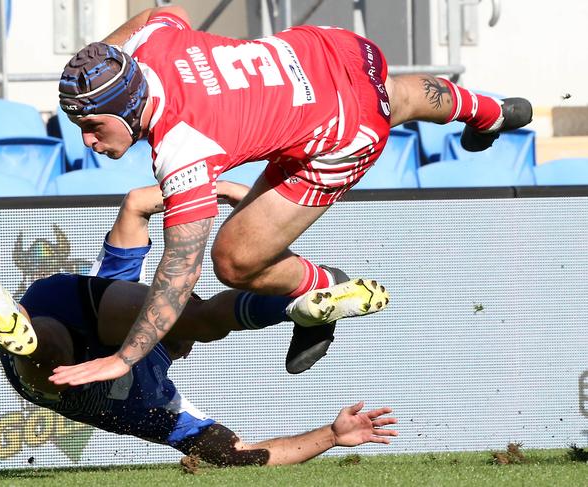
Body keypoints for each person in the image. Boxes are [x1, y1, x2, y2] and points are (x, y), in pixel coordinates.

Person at [53, 5, 533, 384]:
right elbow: (168, 13)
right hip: (331, 48)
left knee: (234, 261)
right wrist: (101, 59)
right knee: (393, 97)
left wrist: (123, 358)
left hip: (344, 134)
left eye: (92, 126)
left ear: (129, 105)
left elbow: (179, 273)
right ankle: (487, 111)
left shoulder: (183, 152)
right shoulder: (151, 47)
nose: (88, 141)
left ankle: (318, 284)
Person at [0, 181, 398, 467]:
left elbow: (238, 456)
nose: (186, 345)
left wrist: (332, 435)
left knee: (52, 368)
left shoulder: (165, 409)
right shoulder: (162, 399)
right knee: (192, 315)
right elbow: (136, 204)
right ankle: (293, 309)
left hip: (45, 350)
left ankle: (16, 329)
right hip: (71, 307)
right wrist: (224, 191)